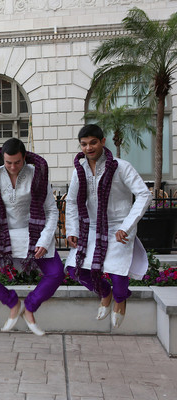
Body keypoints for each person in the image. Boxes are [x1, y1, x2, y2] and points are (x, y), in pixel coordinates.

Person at [0, 138, 64, 336]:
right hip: (1, 234)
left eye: (17, 162)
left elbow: (52, 211)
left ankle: (30, 306)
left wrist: (44, 239)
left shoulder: (37, 174)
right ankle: (12, 303)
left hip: (33, 233)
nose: (12, 166)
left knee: (56, 273)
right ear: (3, 159)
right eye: (8, 162)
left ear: (24, 157)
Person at [65, 124, 152, 328]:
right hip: (91, 228)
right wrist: (72, 230)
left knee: (118, 274)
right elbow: (70, 201)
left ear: (103, 142)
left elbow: (144, 194)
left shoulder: (121, 166)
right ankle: (106, 293)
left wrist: (127, 226)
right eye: (84, 144)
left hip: (120, 228)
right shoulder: (80, 171)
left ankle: (120, 300)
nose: (88, 148)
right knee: (74, 270)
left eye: (93, 142)